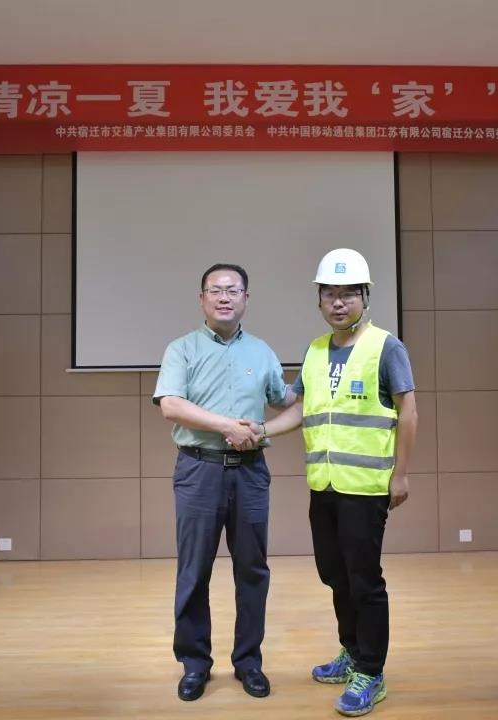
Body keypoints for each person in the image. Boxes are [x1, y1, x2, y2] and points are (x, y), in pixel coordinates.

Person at [261, 248, 417, 717]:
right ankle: (351, 651)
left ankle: (371, 671)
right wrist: (260, 431)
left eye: (349, 293)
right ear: (319, 300)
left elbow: (409, 411)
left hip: (365, 488)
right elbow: (298, 408)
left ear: (365, 297)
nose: (339, 302)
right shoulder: (314, 351)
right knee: (334, 575)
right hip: (324, 486)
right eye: (330, 294)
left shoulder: (387, 348)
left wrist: (401, 473)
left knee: (364, 581)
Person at [153, 262, 292, 702]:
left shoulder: (262, 352)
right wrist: (226, 426)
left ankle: (249, 662)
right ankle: (195, 664)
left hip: (250, 471)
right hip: (199, 470)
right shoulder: (182, 349)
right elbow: (171, 405)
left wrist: (317, 380)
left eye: (234, 290)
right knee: (194, 570)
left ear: (246, 298)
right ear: (202, 299)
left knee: (252, 570)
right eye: (216, 290)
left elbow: (287, 401)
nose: (225, 296)